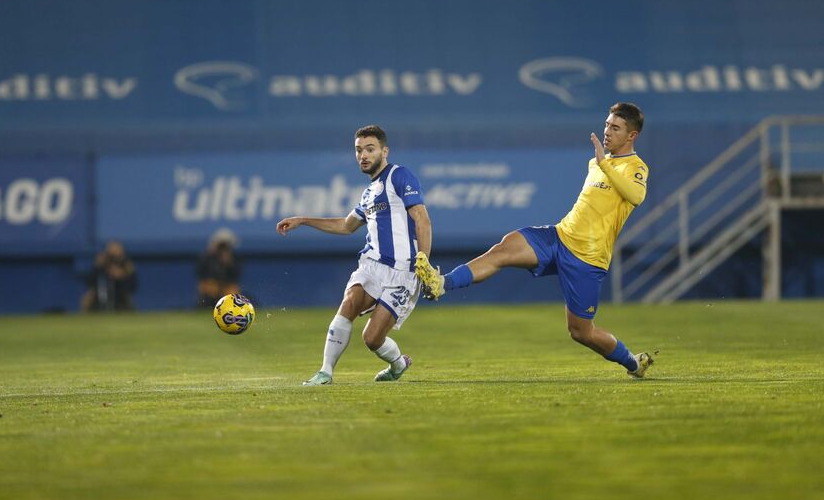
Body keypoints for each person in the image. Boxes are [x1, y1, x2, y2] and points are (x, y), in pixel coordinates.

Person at [415, 103, 655, 378]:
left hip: (587, 259)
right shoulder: (597, 162)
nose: (607, 132)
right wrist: (602, 163)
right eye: (606, 125)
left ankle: (633, 363)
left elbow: (636, 196)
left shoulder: (634, 167)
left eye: (615, 128)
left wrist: (604, 164)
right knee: (503, 249)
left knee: (581, 332)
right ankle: (440, 283)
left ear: (632, 135)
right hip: (558, 237)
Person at [276, 125, 433, 386]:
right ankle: (325, 372)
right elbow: (346, 226)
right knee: (350, 301)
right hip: (371, 264)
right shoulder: (369, 192)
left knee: (372, 339)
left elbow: (422, 219)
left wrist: (423, 261)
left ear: (385, 151)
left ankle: (398, 363)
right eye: (359, 150)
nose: (363, 155)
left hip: (403, 271)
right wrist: (302, 220)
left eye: (370, 149)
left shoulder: (399, 175)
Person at [80, 240, 137, 312]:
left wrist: (121, 276)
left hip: (119, 296)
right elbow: (90, 282)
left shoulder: (126, 264)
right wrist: (97, 267)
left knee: (129, 300)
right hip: (100, 295)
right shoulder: (102, 263)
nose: (113, 256)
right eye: (111, 253)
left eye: (116, 251)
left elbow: (133, 286)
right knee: (87, 298)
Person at [196, 228, 242, 308]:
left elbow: (236, 275)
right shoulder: (208, 256)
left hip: (227, 285)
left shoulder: (233, 257)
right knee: (209, 286)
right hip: (211, 284)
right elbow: (200, 272)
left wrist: (229, 264)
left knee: (232, 290)